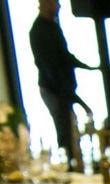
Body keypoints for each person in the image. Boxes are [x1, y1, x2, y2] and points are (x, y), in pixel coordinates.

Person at [30, 0, 94, 167]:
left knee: (69, 131)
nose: (59, 6)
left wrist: (88, 67)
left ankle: (73, 167)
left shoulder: (52, 26)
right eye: (56, 2)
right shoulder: (39, 30)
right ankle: (70, 169)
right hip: (53, 90)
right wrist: (74, 97)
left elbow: (64, 56)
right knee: (65, 132)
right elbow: (50, 67)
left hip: (62, 89)